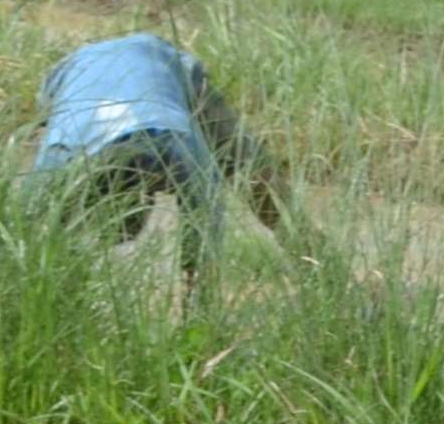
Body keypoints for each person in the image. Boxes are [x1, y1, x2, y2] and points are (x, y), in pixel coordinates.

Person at [31, 32, 277, 271]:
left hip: (162, 62)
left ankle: (310, 254)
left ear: (148, 193)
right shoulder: (60, 157)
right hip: (72, 73)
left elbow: (206, 240)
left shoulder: (182, 149)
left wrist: (196, 302)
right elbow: (27, 234)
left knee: (257, 179)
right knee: (50, 229)